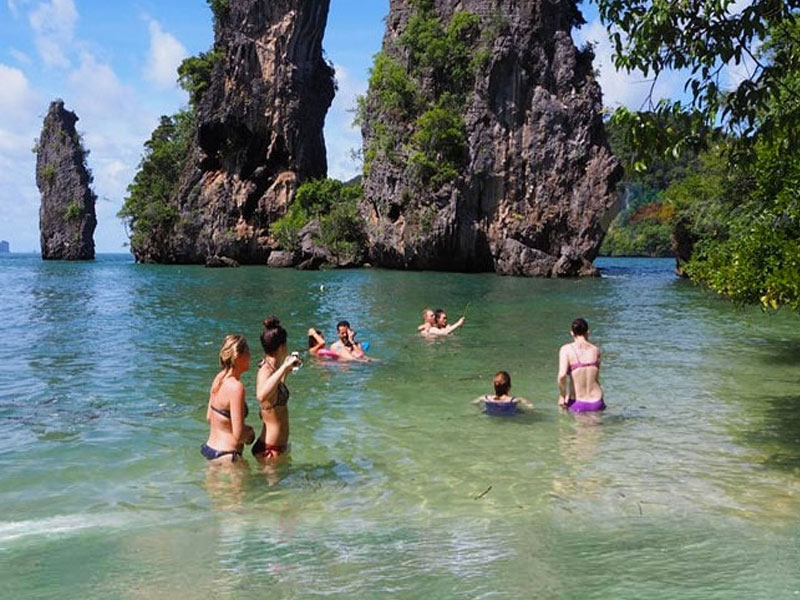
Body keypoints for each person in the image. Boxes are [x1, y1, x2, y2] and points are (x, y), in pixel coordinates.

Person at [253, 317, 301, 460]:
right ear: (282, 347)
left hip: (275, 447)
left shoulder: (272, 370)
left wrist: (285, 371)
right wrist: (284, 367)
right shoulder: (265, 371)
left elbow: (274, 395)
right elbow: (261, 396)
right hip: (269, 450)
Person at [202, 334, 255, 464]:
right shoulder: (236, 387)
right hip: (228, 455)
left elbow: (209, 417)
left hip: (210, 450)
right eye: (248, 353)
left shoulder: (219, 378)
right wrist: (250, 434)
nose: (250, 357)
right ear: (238, 357)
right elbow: (239, 434)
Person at [557, 318, 605, 412]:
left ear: (572, 333)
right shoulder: (596, 350)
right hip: (597, 401)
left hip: (578, 402)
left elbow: (562, 375)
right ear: (588, 332)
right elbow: (596, 378)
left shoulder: (566, 350)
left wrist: (562, 395)